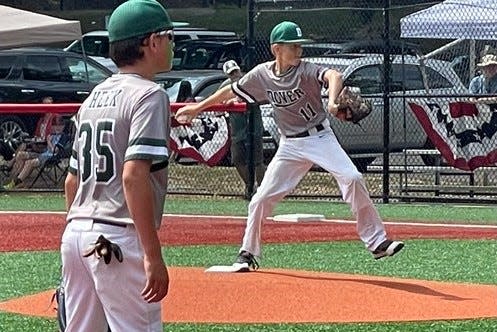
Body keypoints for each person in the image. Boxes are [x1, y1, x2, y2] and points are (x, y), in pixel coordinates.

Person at [175, 21, 404, 270]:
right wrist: (197, 108)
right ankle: (247, 253)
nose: (298, 50)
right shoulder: (262, 74)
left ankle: (377, 242)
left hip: (319, 138)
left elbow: (333, 75)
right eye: (293, 46)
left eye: (299, 45)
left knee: (352, 177)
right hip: (289, 146)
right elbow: (232, 91)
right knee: (260, 199)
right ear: (276, 49)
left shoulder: (305, 70)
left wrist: (332, 101)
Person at [61, 0, 173, 330]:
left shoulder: (93, 96)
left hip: (76, 232)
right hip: (118, 236)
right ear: (152, 42)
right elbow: (134, 176)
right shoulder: (149, 95)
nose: (172, 44)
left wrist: (76, 241)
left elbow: (71, 181)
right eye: (168, 37)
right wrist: (153, 254)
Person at [220, 60, 266, 200]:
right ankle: (249, 186)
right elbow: (218, 100)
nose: (235, 75)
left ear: (239, 70)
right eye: (231, 73)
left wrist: (241, 100)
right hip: (238, 129)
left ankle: (263, 189)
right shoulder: (226, 86)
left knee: (257, 160)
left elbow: (264, 97)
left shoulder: (249, 81)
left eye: (236, 71)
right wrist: (228, 102)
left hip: (254, 126)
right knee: (237, 158)